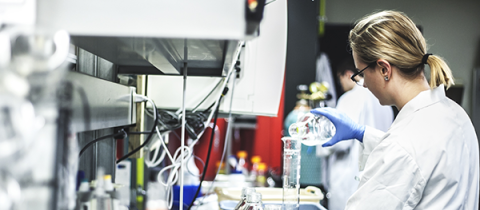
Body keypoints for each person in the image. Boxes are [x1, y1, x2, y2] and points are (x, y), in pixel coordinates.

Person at [311, 10, 479, 209]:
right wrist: (362, 133)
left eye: (361, 73)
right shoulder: (455, 114)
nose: (363, 84)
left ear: (384, 69)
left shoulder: (403, 144)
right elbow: (421, 162)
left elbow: (404, 155)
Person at [318, 59, 393, 210]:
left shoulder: (350, 97)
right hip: (378, 179)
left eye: (340, 80)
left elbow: (340, 142)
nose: (342, 86)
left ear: (348, 75)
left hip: (349, 178)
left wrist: (320, 144)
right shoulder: (385, 101)